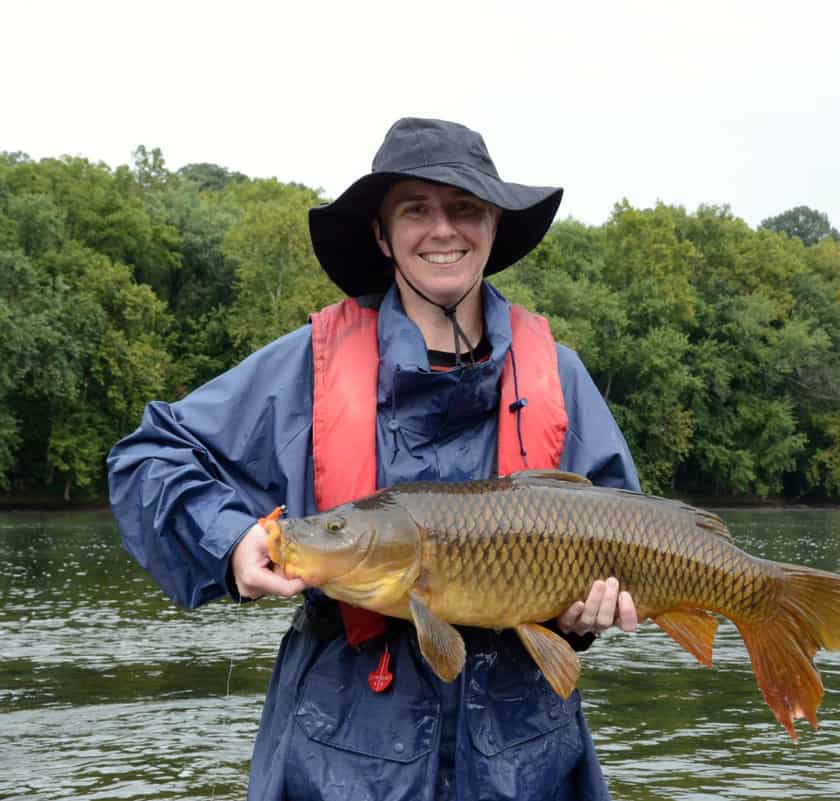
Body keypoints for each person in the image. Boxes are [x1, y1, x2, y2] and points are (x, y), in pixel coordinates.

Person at [108, 117, 641, 801]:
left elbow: (624, 529)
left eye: (465, 209)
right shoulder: (309, 364)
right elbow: (148, 457)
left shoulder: (560, 376)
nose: (442, 229)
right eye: (416, 209)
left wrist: (587, 618)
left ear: (493, 228)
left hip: (524, 756)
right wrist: (231, 541)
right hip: (340, 753)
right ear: (382, 234)